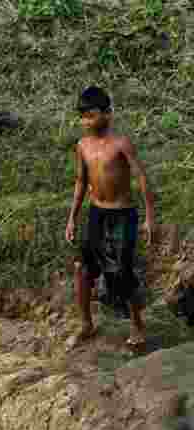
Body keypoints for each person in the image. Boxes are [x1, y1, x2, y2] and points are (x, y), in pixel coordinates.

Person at [66, 86, 156, 350]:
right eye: (83, 117)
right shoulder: (82, 145)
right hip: (97, 213)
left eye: (92, 116)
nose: (87, 122)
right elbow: (81, 181)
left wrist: (149, 218)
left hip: (122, 215)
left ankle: (137, 324)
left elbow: (141, 177)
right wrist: (72, 218)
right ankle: (86, 324)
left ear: (108, 114)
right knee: (82, 268)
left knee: (122, 271)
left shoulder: (121, 144)